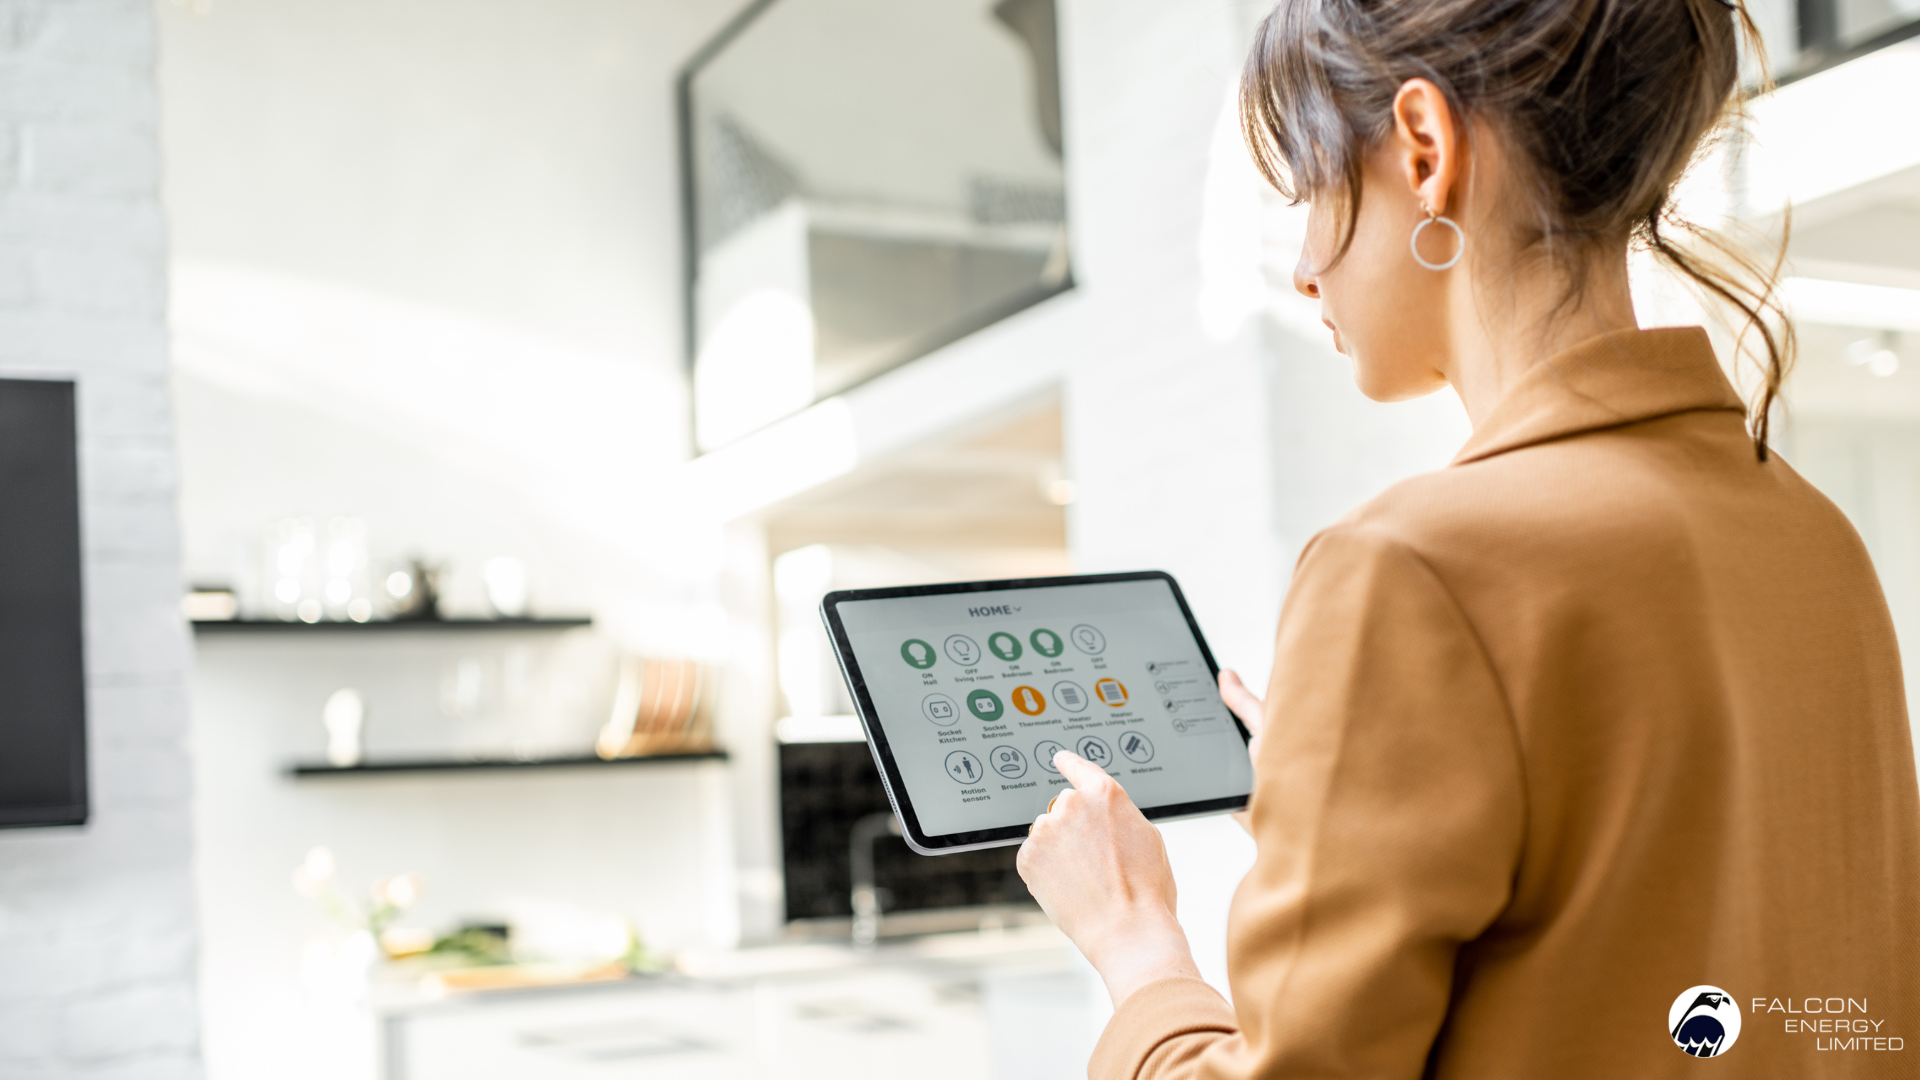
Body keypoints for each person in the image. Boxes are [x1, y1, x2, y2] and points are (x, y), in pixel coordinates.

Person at [1015, 0, 1920, 1075]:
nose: (1305, 262)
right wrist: (1343, 817)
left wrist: (1138, 944)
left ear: (1426, 150)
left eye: (1310, 191)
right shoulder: (1811, 537)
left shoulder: (1410, 567)